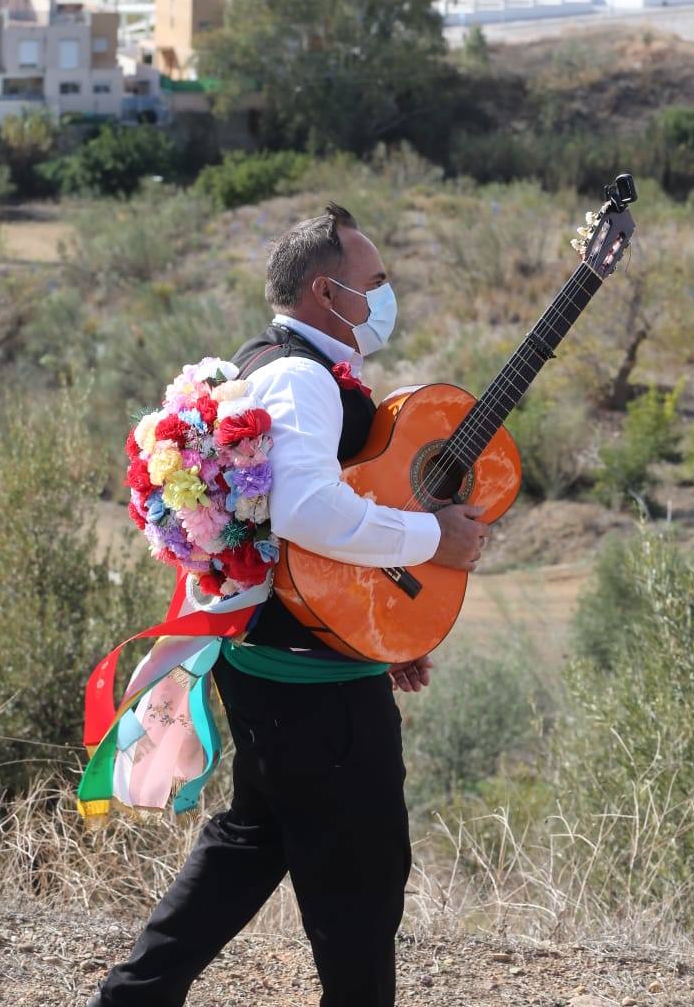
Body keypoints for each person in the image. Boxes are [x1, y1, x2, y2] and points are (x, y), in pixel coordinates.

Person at [87, 203, 488, 1007]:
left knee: (251, 842)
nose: (384, 296)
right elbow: (307, 514)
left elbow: (289, 551)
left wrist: (379, 632)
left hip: (280, 667)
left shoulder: (260, 364)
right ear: (324, 290)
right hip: (319, 696)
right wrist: (429, 537)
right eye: (373, 282)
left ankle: (130, 999)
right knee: (361, 890)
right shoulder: (304, 379)